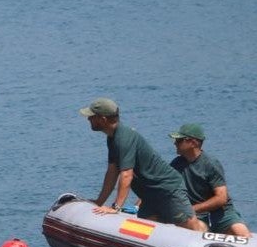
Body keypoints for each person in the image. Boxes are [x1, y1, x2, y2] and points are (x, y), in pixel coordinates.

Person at [81, 97, 207, 231]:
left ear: (103, 119)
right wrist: (100, 201)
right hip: (149, 195)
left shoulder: (124, 138)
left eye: (91, 116)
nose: (88, 119)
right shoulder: (112, 139)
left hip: (168, 190)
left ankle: (213, 236)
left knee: (191, 229)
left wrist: (115, 208)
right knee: (146, 231)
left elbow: (126, 175)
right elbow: (112, 172)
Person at [168, 123, 251, 237]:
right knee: (191, 226)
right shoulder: (176, 164)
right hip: (196, 215)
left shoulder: (211, 164)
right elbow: (161, 186)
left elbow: (221, 198)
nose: (175, 143)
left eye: (179, 140)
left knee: (242, 233)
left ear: (193, 143)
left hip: (221, 213)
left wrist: (192, 209)